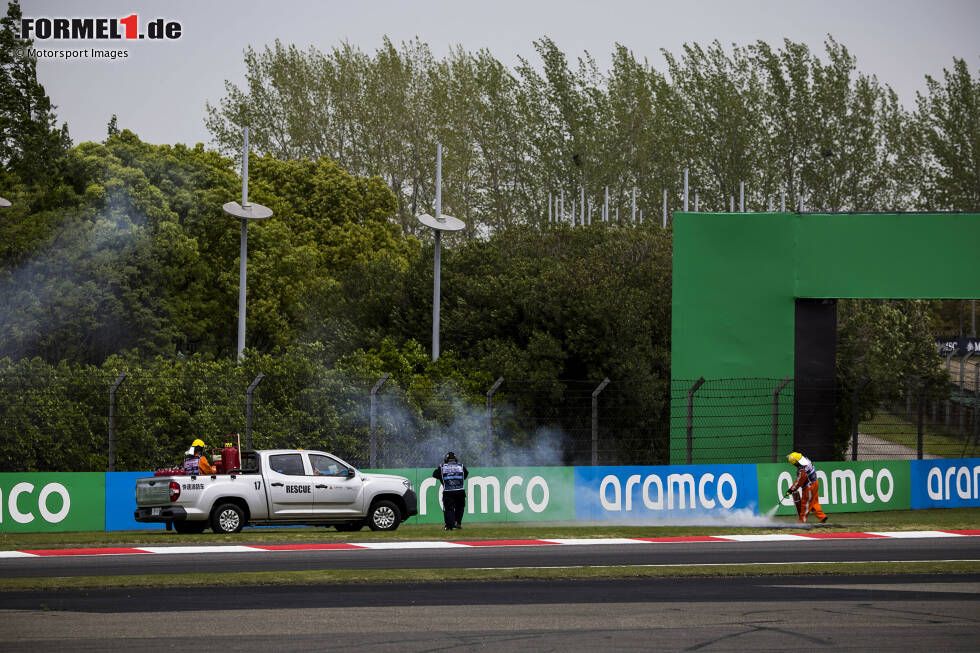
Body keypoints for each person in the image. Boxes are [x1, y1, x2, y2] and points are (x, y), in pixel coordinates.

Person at [785, 451, 827, 523]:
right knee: (814, 502)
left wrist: (791, 490)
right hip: (815, 482)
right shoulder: (807, 460)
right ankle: (822, 517)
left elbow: (799, 482)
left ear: (795, 463)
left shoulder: (802, 470)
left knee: (805, 504)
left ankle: (801, 521)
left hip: (809, 487)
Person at [433, 451, 468, 531]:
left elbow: (434, 474)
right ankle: (457, 523)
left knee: (449, 509)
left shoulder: (442, 467)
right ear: (455, 459)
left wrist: (443, 479)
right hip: (460, 491)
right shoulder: (461, 466)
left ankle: (449, 526)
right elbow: (465, 475)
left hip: (448, 491)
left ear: (446, 459)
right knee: (460, 508)